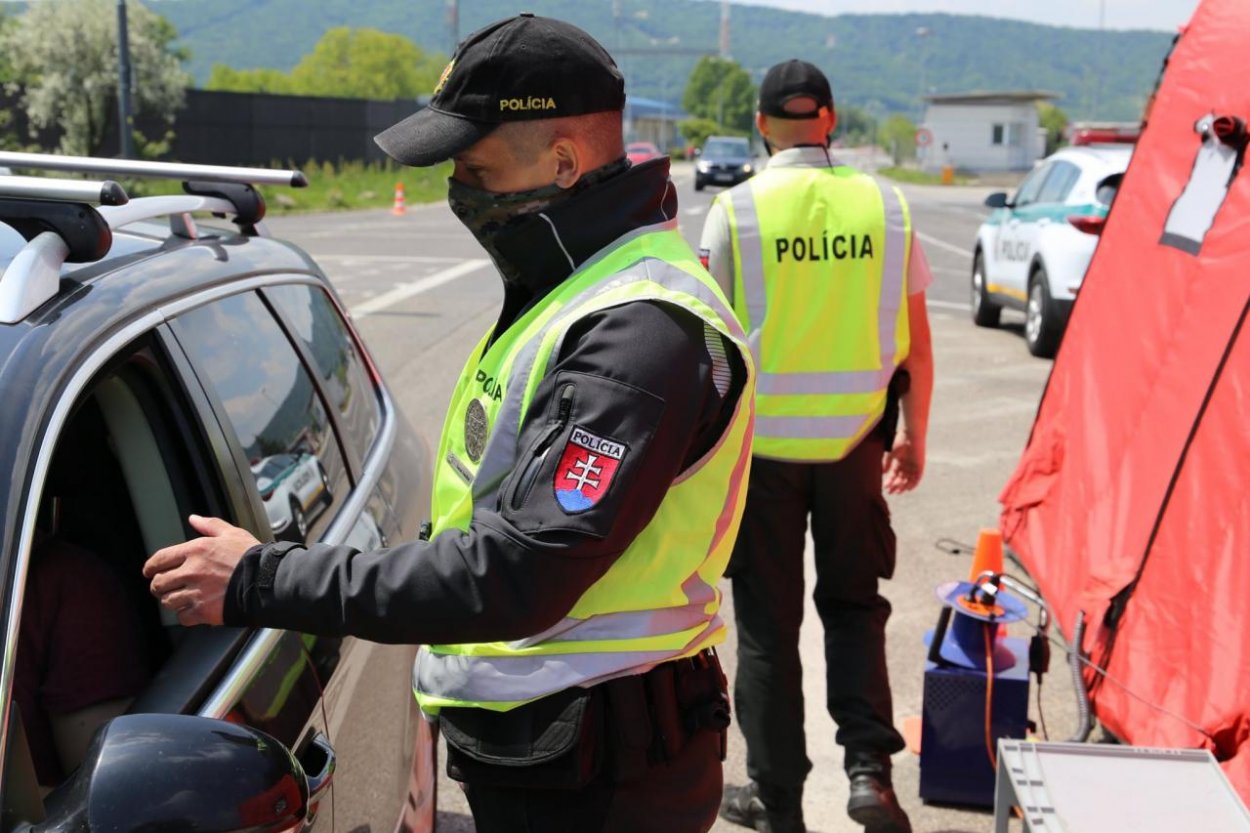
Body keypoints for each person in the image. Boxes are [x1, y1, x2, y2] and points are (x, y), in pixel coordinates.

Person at [142, 14, 755, 833]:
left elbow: (515, 573)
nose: (460, 192)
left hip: (604, 780)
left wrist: (260, 578)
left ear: (565, 161)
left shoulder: (639, 332)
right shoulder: (575, 284)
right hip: (556, 746)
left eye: (475, 167)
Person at [698, 60, 933, 833]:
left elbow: (710, 355)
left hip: (761, 457)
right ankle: (870, 773)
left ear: (762, 125)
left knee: (768, 627)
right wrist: (912, 436)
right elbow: (917, 348)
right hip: (855, 451)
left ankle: (777, 797)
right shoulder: (888, 207)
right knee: (855, 608)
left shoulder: (733, 214)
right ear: (829, 120)